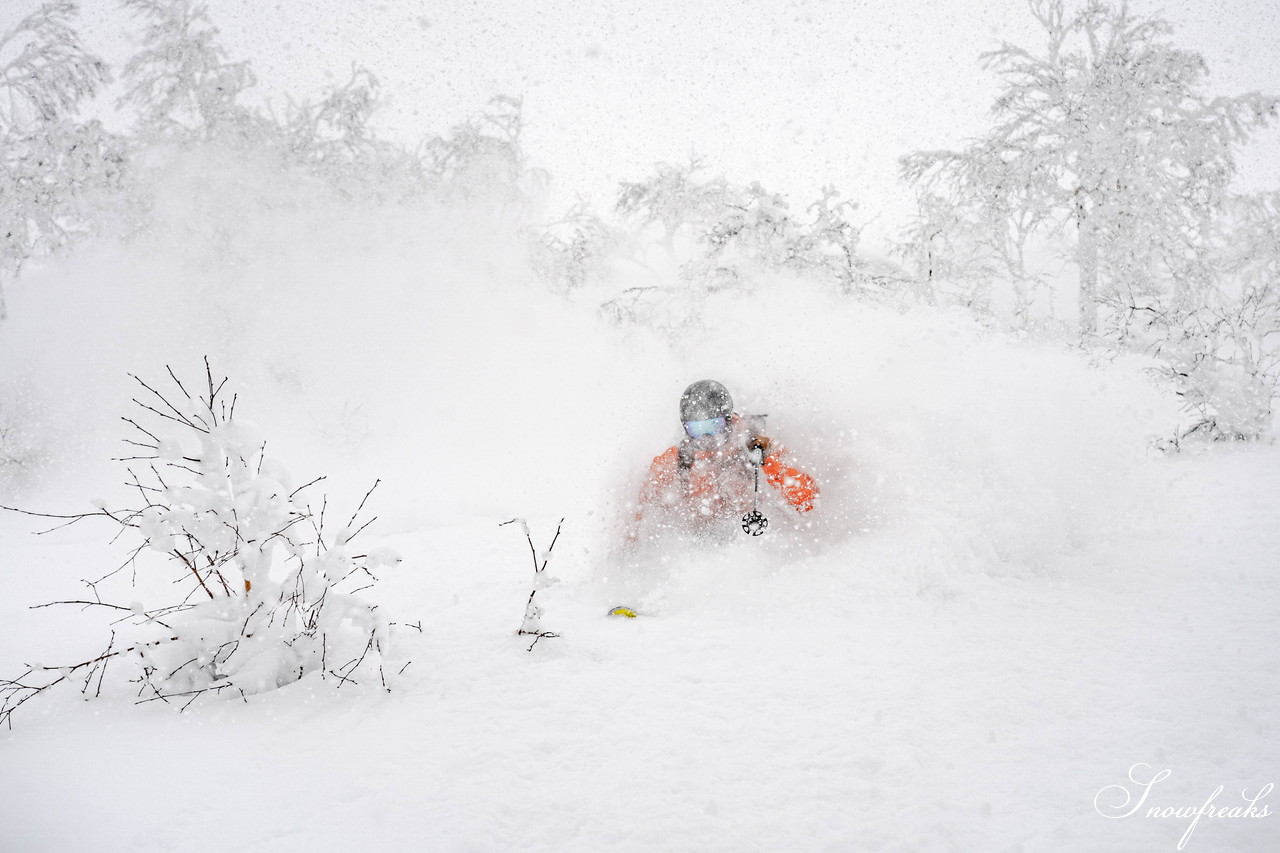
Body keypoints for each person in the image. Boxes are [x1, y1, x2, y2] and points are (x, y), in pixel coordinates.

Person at [627, 379, 818, 543]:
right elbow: (642, 509)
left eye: (713, 426)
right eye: (697, 429)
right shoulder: (678, 460)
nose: (706, 437)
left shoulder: (756, 446)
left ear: (728, 420)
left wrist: (769, 463)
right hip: (701, 548)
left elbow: (807, 501)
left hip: (755, 543)